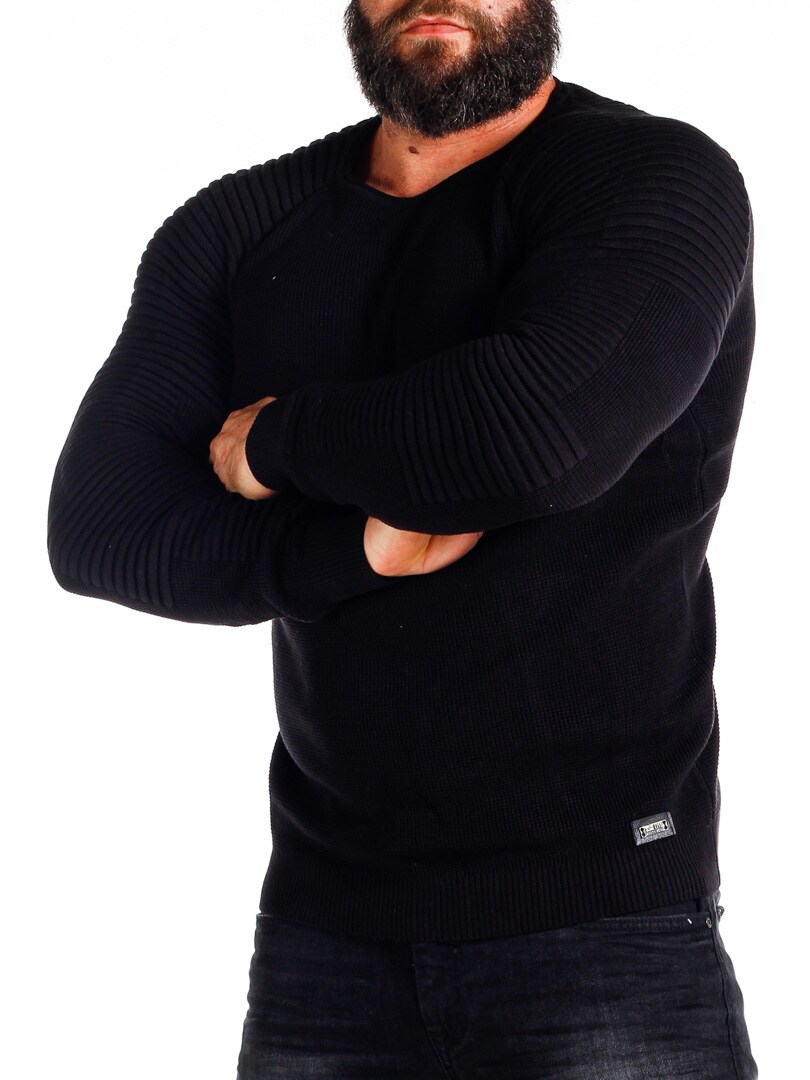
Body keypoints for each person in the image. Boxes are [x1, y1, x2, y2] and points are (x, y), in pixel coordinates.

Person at [48, 1, 760, 1076]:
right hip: (325, 930)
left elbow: (531, 434)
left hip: (604, 921)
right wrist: (351, 553)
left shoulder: (654, 179)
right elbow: (103, 525)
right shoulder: (239, 226)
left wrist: (275, 441)